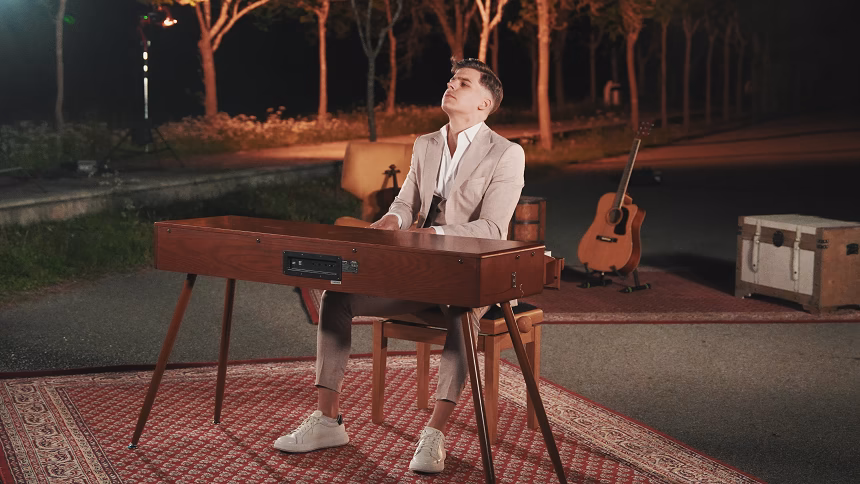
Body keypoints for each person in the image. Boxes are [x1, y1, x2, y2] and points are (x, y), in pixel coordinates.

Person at [273, 58, 525, 474]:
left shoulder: (507, 153)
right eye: (451, 79)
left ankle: (435, 433)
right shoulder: (425, 144)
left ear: (485, 103)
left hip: (473, 274)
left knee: (462, 313)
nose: (451, 85)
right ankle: (328, 420)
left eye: (463, 82)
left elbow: (493, 228)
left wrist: (432, 234)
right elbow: (406, 202)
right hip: (419, 270)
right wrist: (391, 221)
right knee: (337, 295)